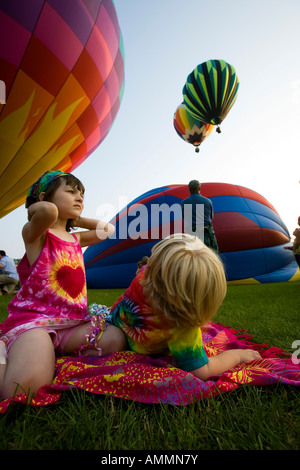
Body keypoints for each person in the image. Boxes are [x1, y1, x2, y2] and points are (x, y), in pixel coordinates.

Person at [0, 170, 127, 399]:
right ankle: (8, 350)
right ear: (44, 198)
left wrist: (77, 220)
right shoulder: (37, 235)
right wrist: (38, 206)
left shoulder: (76, 239)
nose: (79, 198)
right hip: (36, 322)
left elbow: (108, 230)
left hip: (72, 325)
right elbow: (47, 212)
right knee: (25, 390)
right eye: (70, 191)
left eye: (81, 194)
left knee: (116, 338)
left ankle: (48, 352)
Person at [108, 233, 261, 381]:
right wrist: (238, 356)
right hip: (122, 332)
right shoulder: (183, 329)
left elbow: (201, 371)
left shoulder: (144, 278)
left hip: (119, 332)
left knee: (110, 340)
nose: (147, 268)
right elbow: (202, 371)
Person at [181, 180, 219, 253]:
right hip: (206, 234)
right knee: (212, 256)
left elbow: (185, 217)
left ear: (189, 189)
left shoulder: (184, 203)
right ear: (199, 188)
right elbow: (211, 217)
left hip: (191, 235)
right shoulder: (208, 201)